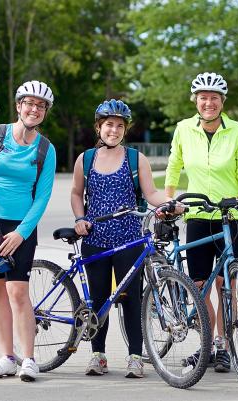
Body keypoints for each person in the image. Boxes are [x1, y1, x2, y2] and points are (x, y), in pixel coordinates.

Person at [71, 99, 181, 379]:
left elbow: (151, 193)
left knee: (130, 300)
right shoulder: (85, 159)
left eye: (119, 125)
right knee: (98, 300)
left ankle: (135, 356)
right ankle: (98, 355)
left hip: (129, 240)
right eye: (109, 124)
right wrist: (79, 218)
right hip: (95, 239)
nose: (114, 130)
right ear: (99, 127)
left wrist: (169, 203)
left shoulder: (135, 158)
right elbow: (75, 193)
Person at [165, 72, 238, 373]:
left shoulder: (237, 130)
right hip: (196, 214)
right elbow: (173, 166)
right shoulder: (183, 129)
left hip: (231, 214)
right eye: (203, 98)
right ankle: (207, 343)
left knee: (226, 283)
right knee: (199, 285)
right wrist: (167, 201)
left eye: (214, 98)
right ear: (196, 100)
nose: (209, 103)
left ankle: (222, 346)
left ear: (222, 102)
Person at [0, 80, 57, 382]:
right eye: (28, 103)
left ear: (44, 112)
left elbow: (42, 197)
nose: (34, 109)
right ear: (18, 106)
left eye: (40, 106)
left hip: (20, 227)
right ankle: (7, 357)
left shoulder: (46, 149)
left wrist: (21, 233)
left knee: (18, 291)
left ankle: (28, 358)